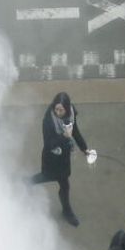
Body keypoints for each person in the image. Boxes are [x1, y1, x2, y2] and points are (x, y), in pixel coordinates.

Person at [28, 92, 94, 227]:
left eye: (61, 110)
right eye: (56, 109)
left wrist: (84, 148)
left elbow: (75, 131)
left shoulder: (71, 114)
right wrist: (64, 136)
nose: (58, 112)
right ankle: (26, 183)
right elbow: (48, 144)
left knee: (64, 183)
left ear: (67, 108)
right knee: (46, 177)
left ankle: (66, 210)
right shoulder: (48, 120)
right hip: (51, 158)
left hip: (63, 157)